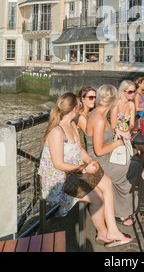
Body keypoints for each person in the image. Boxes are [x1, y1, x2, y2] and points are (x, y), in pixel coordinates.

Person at [38, 92, 132, 248]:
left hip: (74, 173)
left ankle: (113, 230)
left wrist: (90, 160)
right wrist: (83, 167)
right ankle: (103, 233)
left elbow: (79, 148)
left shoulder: (72, 125)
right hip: (59, 181)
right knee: (98, 197)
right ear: (75, 109)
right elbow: (58, 164)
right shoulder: (56, 132)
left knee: (106, 181)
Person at [85, 84, 143, 227]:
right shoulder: (99, 119)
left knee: (135, 161)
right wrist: (118, 144)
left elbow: (104, 133)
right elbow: (98, 151)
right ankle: (122, 212)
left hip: (104, 159)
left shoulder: (99, 113)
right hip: (100, 164)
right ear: (112, 101)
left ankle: (127, 206)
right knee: (134, 169)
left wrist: (116, 131)